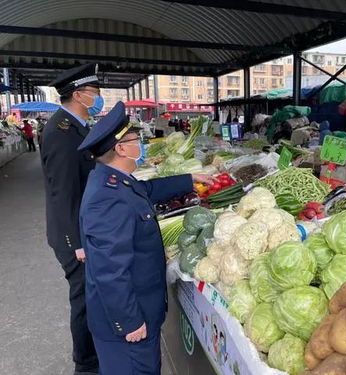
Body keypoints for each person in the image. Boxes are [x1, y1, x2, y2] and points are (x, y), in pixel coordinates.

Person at [78, 101, 214, 374]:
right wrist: (128, 322)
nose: (140, 143)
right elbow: (109, 271)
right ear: (120, 149)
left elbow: (146, 189)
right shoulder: (107, 199)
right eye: (134, 139)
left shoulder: (116, 181)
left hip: (140, 310)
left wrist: (189, 179)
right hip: (128, 323)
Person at [40, 63, 103, 375]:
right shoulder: (61, 132)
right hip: (73, 235)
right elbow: (62, 192)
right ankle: (86, 365)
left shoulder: (76, 125)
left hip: (80, 228)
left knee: (88, 295)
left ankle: (91, 356)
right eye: (95, 93)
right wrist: (75, 242)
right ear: (79, 94)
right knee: (83, 298)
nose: (98, 98)